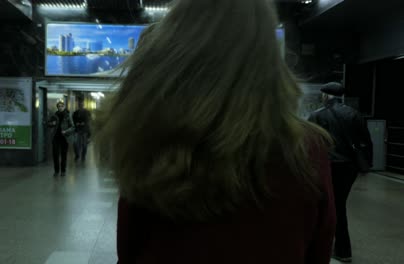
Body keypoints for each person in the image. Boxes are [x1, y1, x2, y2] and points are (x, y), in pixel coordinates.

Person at [97, 0, 336, 263]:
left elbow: (130, 250)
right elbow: (318, 251)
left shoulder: (151, 137)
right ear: (265, 54)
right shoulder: (306, 149)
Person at [308, 82, 373, 262]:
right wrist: (366, 165)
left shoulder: (316, 115)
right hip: (349, 168)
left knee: (328, 207)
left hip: (327, 166)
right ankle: (339, 248)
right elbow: (366, 142)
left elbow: (309, 143)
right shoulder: (354, 114)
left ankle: (339, 250)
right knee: (338, 204)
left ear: (326, 96)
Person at [48, 101, 75, 177]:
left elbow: (73, 127)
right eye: (59, 106)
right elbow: (48, 123)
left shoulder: (67, 116)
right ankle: (56, 171)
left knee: (63, 155)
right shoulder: (54, 115)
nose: (60, 108)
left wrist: (66, 131)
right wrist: (51, 124)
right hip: (55, 137)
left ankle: (63, 171)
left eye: (61, 106)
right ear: (57, 107)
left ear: (64, 107)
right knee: (55, 154)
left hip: (64, 138)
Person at [73, 97, 92, 162]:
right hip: (78, 130)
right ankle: (78, 155)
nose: (80, 105)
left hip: (84, 131)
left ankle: (82, 156)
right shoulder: (75, 113)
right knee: (76, 143)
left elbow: (88, 122)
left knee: (84, 145)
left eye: (81, 103)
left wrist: (89, 134)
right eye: (79, 104)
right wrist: (77, 124)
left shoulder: (87, 112)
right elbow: (74, 121)